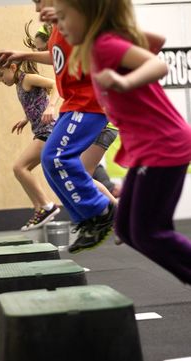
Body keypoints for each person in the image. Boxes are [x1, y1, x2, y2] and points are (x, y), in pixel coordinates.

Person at [55, 0, 191, 284]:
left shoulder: (105, 45)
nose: (59, 26)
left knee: (146, 231)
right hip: (149, 147)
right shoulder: (89, 50)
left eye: (64, 17)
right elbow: (156, 40)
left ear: (91, 15)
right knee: (128, 230)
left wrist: (125, 82)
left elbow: (157, 65)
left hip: (163, 145)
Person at [0, 0, 117, 253]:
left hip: (89, 104)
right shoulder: (57, 31)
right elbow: (57, 57)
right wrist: (25, 54)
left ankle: (103, 210)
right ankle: (88, 219)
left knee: (57, 157)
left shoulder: (75, 18)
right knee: (51, 163)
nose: (37, 9)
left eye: (40, 2)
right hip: (73, 105)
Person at [0, 53, 61, 231]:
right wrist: (26, 119)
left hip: (48, 131)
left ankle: (47, 206)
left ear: (12, 67)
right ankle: (40, 210)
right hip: (41, 131)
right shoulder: (19, 84)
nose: (0, 80)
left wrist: (52, 106)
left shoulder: (27, 78)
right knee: (21, 170)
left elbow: (55, 84)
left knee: (19, 168)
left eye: (0, 75)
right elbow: (35, 102)